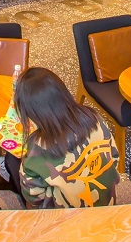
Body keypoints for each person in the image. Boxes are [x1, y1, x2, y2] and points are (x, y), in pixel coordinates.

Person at [8, 67, 120, 208]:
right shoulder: (93, 118)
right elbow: (114, 157)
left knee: (12, 161)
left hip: (67, 217)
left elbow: (33, 196)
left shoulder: (38, 147)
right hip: (108, 204)